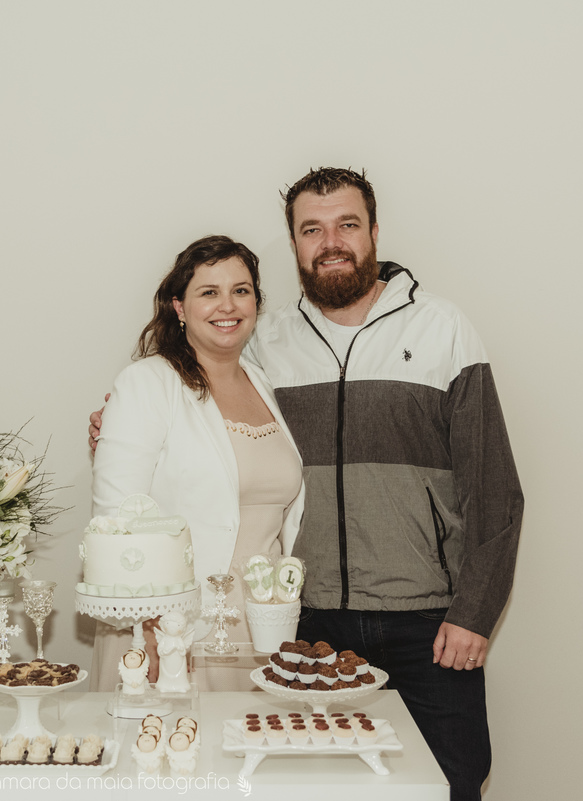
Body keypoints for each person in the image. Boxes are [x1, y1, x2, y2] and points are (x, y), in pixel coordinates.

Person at [90, 169, 522, 801]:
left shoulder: (442, 328)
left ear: (374, 232)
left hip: (427, 620)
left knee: (450, 781)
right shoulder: (265, 344)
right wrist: (114, 428)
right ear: (294, 243)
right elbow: (189, 423)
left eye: (347, 224)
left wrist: (475, 612)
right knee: (305, 784)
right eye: (311, 229)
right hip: (302, 622)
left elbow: (493, 487)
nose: (331, 242)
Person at [89, 235, 304, 692]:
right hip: (172, 627)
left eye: (241, 290)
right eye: (209, 292)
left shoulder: (264, 383)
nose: (228, 305)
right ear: (179, 307)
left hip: (262, 627)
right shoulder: (148, 383)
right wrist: (150, 626)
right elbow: (116, 519)